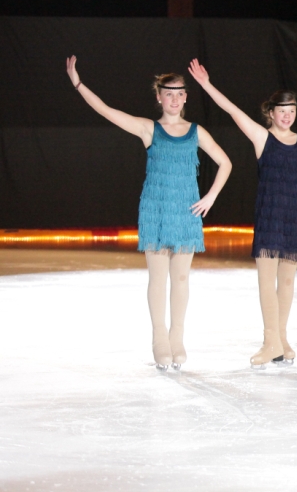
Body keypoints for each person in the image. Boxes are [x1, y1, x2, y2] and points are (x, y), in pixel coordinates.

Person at [65, 56, 232, 371]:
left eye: (179, 93)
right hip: (155, 209)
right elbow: (106, 111)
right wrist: (77, 83)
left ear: (186, 96)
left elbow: (225, 162)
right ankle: (159, 339)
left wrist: (210, 197)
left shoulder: (196, 132)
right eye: (168, 94)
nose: (174, 99)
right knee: (158, 278)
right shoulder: (148, 129)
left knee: (180, 278)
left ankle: (177, 337)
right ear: (159, 97)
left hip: (186, 211)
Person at [187, 60, 297, 368]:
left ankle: (282, 341)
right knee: (267, 282)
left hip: (295, 219)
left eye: (292, 110)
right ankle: (271, 342)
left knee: (287, 282)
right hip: (270, 216)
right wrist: (206, 84)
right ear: (271, 113)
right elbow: (232, 110)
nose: (287, 115)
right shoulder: (261, 137)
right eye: (282, 110)